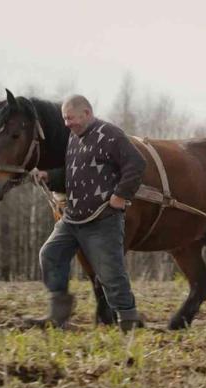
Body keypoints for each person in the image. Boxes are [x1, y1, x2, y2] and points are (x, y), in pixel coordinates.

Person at [26, 95, 147, 331]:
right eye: (64, 119)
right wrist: (49, 176)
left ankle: (128, 319)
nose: (67, 124)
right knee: (50, 254)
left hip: (103, 218)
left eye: (70, 118)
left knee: (110, 273)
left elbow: (136, 163)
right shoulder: (74, 137)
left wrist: (121, 195)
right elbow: (74, 175)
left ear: (87, 113)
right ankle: (58, 313)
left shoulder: (109, 134)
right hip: (73, 218)